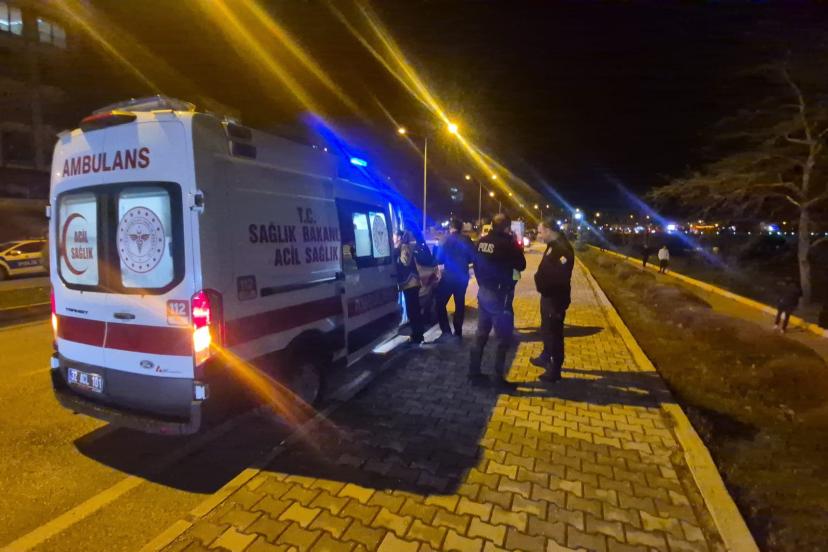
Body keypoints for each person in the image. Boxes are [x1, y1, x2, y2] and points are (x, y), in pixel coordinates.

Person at [469, 213, 526, 388]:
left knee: (481, 335)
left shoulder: (481, 241)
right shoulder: (508, 244)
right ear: (507, 227)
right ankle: (498, 378)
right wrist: (514, 243)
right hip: (500, 296)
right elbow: (521, 265)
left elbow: (475, 265)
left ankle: (473, 373)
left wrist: (482, 283)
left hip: (484, 292)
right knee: (503, 339)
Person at [530, 219, 575, 383]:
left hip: (556, 298)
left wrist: (543, 283)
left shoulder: (562, 249)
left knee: (555, 334)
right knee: (546, 329)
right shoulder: (553, 245)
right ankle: (545, 355)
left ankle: (555, 369)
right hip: (548, 296)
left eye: (540, 231)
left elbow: (561, 277)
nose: (539, 235)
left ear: (549, 230)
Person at [435, 218, 475, 343]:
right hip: (462, 277)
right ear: (461, 228)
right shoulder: (467, 240)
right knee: (459, 304)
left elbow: (439, 259)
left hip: (448, 277)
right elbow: (472, 257)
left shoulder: (444, 240)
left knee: (439, 304)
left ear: (450, 228)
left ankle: (446, 331)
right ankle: (458, 332)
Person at [394, 230, 424, 344]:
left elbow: (405, 262)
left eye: (394, 236)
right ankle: (417, 335)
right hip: (409, 284)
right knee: (413, 310)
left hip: (411, 283)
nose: (392, 238)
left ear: (399, 237)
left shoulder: (404, 247)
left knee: (413, 311)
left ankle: (417, 336)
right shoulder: (402, 247)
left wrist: (396, 255)